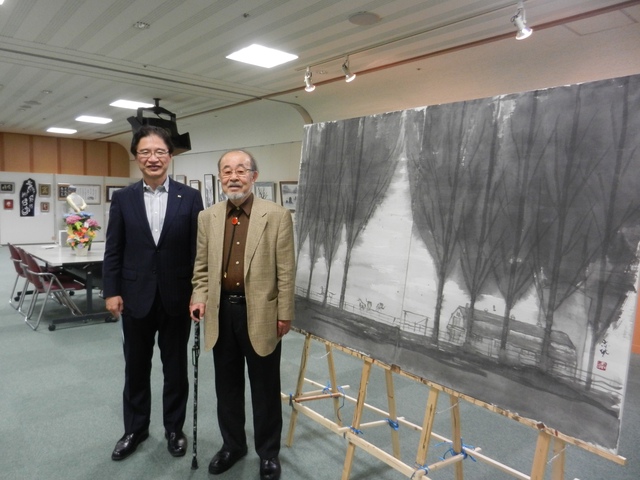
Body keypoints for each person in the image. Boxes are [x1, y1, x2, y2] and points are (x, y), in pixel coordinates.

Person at [190, 150, 295, 480]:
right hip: (222, 315)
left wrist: (285, 312)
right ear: (220, 178)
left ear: (254, 176)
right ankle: (232, 445)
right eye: (226, 171)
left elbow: (286, 271)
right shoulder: (208, 217)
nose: (233, 176)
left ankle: (268, 453)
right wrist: (198, 296)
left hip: (261, 313)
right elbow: (202, 267)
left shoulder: (276, 216)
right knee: (227, 387)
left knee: (264, 388)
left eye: (240, 170)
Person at [103, 125, 204, 461]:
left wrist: (198, 293)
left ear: (170, 157)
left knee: (175, 369)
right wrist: (111, 290)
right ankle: (135, 429)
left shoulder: (189, 198)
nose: (153, 158)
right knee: (136, 367)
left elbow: (197, 251)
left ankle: (174, 429)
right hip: (134, 297)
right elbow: (113, 248)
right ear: (136, 158)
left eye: (160, 152)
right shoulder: (123, 198)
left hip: (177, 297)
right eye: (145, 152)